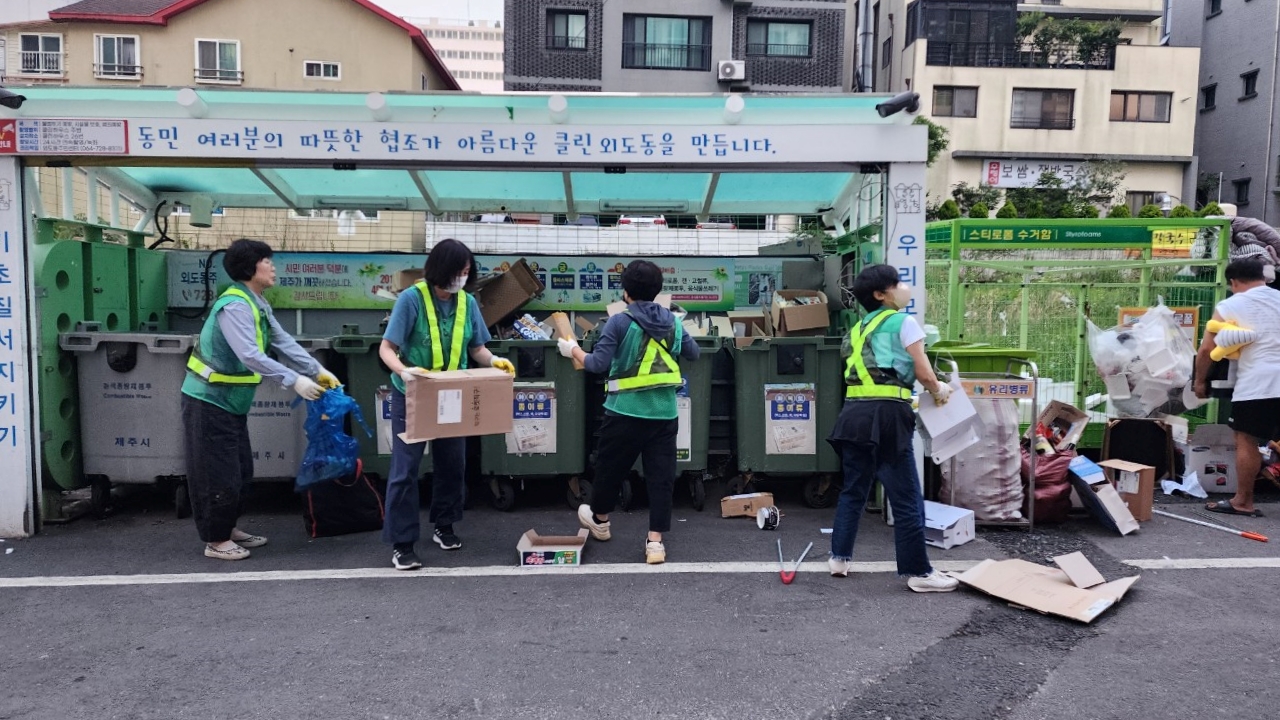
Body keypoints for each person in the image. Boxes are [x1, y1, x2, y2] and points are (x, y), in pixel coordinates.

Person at [182, 239, 339, 561]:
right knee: (218, 473)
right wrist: (294, 380)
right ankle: (216, 540)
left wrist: (317, 368)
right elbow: (250, 355)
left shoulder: (256, 302)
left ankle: (227, 527)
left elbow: (281, 340)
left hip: (231, 403)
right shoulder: (236, 305)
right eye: (267, 261)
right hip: (209, 401)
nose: (273, 267)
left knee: (240, 470)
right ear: (250, 267)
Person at [378, 239, 514, 570]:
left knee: (453, 463)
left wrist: (494, 361)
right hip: (413, 393)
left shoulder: (467, 303)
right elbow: (386, 348)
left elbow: (476, 348)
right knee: (405, 469)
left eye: (468, 272)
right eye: (459, 271)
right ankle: (403, 542)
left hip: (453, 394)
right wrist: (404, 371)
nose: (463, 278)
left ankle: (445, 524)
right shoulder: (412, 299)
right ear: (442, 269)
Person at [558, 260, 700, 564]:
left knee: (610, 469)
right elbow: (694, 353)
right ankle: (655, 543)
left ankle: (601, 521)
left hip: (624, 413)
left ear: (626, 291)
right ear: (658, 290)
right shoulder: (673, 322)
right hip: (663, 414)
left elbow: (596, 364)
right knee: (661, 478)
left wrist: (571, 349)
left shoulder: (619, 322)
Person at [827, 264, 958, 593]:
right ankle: (919, 573)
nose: (904, 288)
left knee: (854, 489)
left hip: (853, 413)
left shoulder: (857, 330)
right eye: (897, 284)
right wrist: (940, 390)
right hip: (888, 413)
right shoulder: (904, 322)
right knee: (906, 496)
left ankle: (839, 558)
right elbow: (925, 373)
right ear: (880, 294)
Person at [1194, 258, 1280, 517]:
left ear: (1233, 282)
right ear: (1263, 278)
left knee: (1246, 439)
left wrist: (1200, 381)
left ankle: (1243, 501)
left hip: (1258, 384)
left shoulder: (1231, 304)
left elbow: (1208, 349)